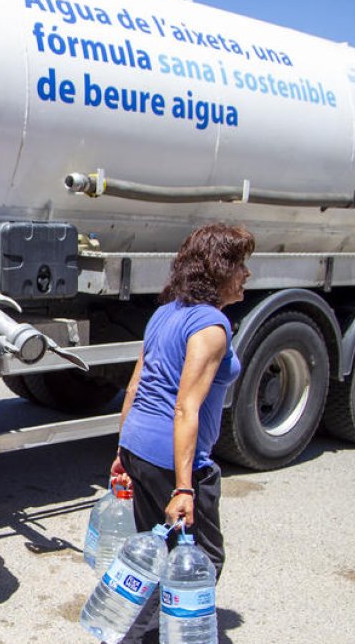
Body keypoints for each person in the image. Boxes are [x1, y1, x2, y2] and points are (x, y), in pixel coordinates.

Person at [109, 222, 255, 643]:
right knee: (202, 560)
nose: (247, 275)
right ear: (218, 269)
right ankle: (139, 635)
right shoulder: (210, 326)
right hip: (170, 459)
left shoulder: (164, 312)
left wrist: (123, 448)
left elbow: (136, 385)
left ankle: (132, 632)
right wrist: (186, 488)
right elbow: (185, 407)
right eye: (240, 265)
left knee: (157, 553)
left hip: (140, 446)